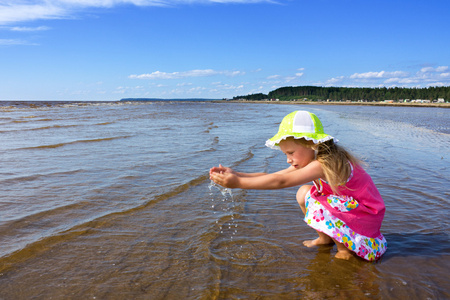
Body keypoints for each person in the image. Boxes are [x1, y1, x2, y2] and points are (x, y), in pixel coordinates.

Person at [209, 110, 387, 261]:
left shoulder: (324, 164)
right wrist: (237, 174)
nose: (288, 159)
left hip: (365, 215)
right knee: (304, 193)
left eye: (291, 153)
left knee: (321, 201)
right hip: (352, 211)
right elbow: (274, 175)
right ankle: (325, 239)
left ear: (312, 144)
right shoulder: (316, 159)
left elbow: (281, 182)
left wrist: (238, 184)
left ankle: (344, 250)